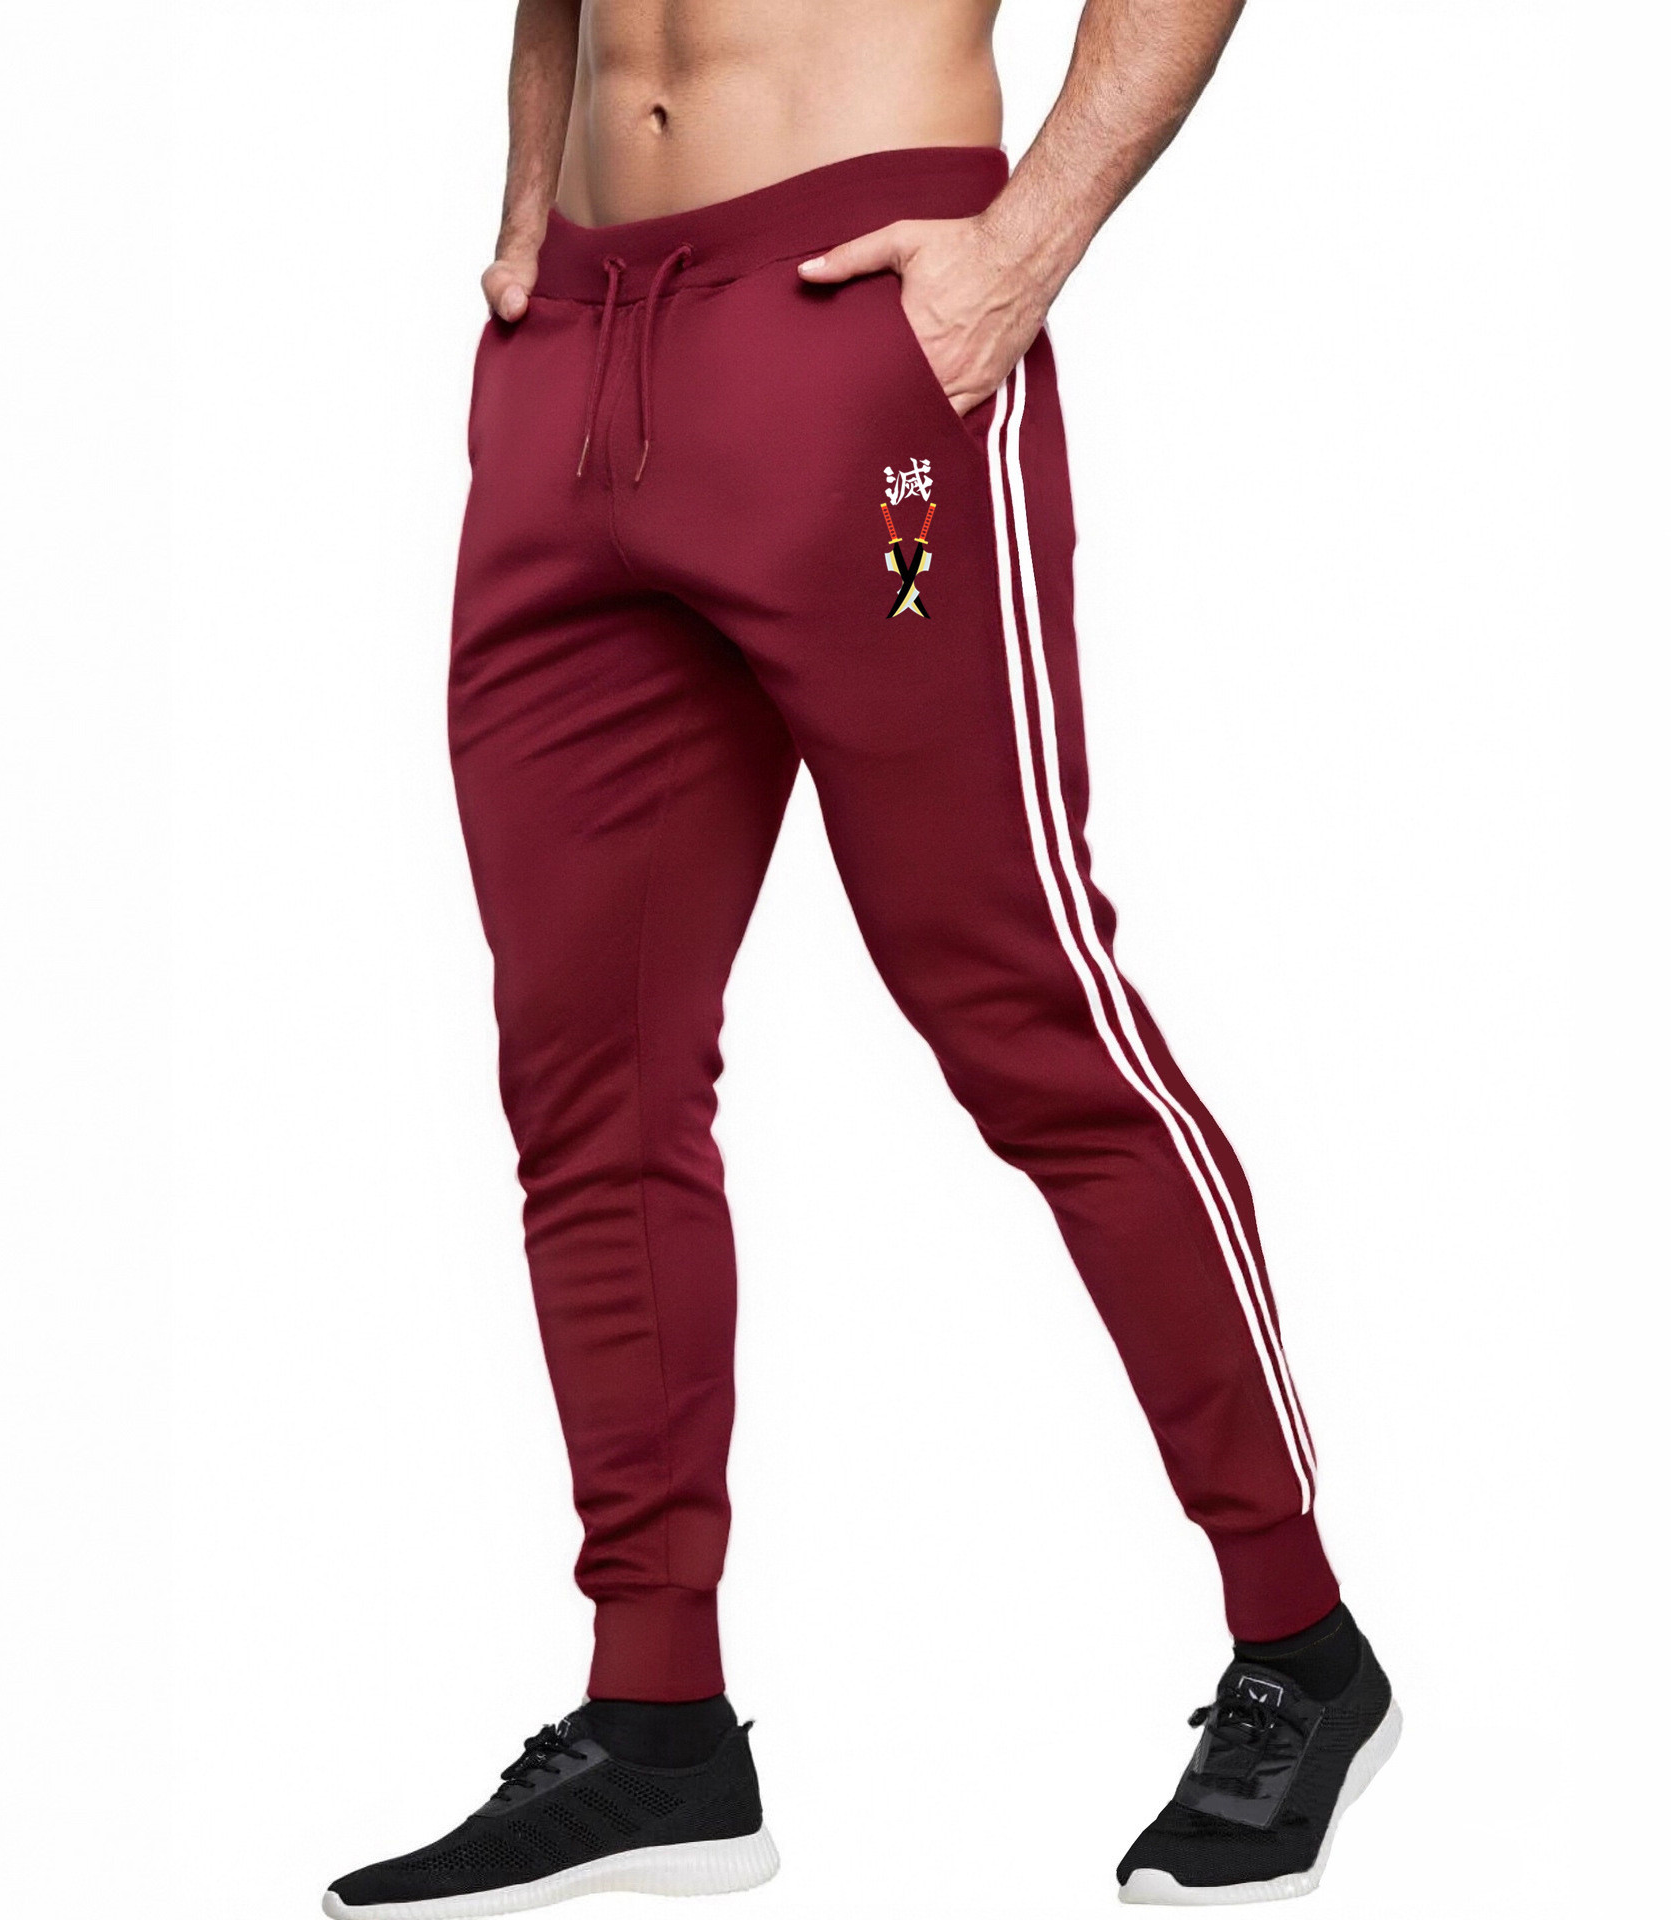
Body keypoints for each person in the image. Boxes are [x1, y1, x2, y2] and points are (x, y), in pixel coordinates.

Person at [324, 1, 1400, 1910]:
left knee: (1026, 1013)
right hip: (576, 351)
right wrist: (523, 219)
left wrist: (1023, 249)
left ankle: (1301, 1645)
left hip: (860, 333)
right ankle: (658, 1717)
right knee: (587, 1081)